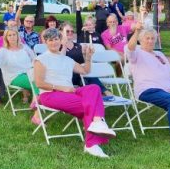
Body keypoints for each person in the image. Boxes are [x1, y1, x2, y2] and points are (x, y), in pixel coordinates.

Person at [34, 28, 116, 158]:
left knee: (94, 88)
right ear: (45, 42)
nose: (54, 42)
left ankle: (96, 122)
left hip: (69, 92)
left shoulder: (67, 60)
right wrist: (62, 88)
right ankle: (92, 143)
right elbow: (39, 83)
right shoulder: (41, 59)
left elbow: (85, 71)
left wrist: (88, 58)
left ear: (61, 40)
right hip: (50, 94)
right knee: (90, 104)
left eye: (56, 39)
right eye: (50, 40)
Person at [126, 23, 170, 151]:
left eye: (152, 38)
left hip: (166, 90)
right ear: (140, 40)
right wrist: (136, 31)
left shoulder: (160, 55)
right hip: (147, 90)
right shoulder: (136, 53)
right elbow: (130, 48)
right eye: (147, 38)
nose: (150, 41)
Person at [0, 28, 40, 119]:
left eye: (14, 34)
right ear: (6, 38)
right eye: (9, 35)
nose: (12, 37)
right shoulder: (3, 51)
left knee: (42, 79)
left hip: (29, 73)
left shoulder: (24, 47)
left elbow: (35, 59)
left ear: (17, 36)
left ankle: (38, 103)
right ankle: (36, 111)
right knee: (38, 82)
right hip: (14, 77)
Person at [60, 22, 114, 99]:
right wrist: (64, 45)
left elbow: (86, 65)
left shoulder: (78, 46)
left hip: (82, 75)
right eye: (67, 31)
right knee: (83, 74)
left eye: (72, 31)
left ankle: (97, 95)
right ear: (61, 32)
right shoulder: (58, 46)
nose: (70, 33)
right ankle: (103, 92)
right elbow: (60, 61)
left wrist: (86, 55)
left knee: (85, 73)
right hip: (67, 76)